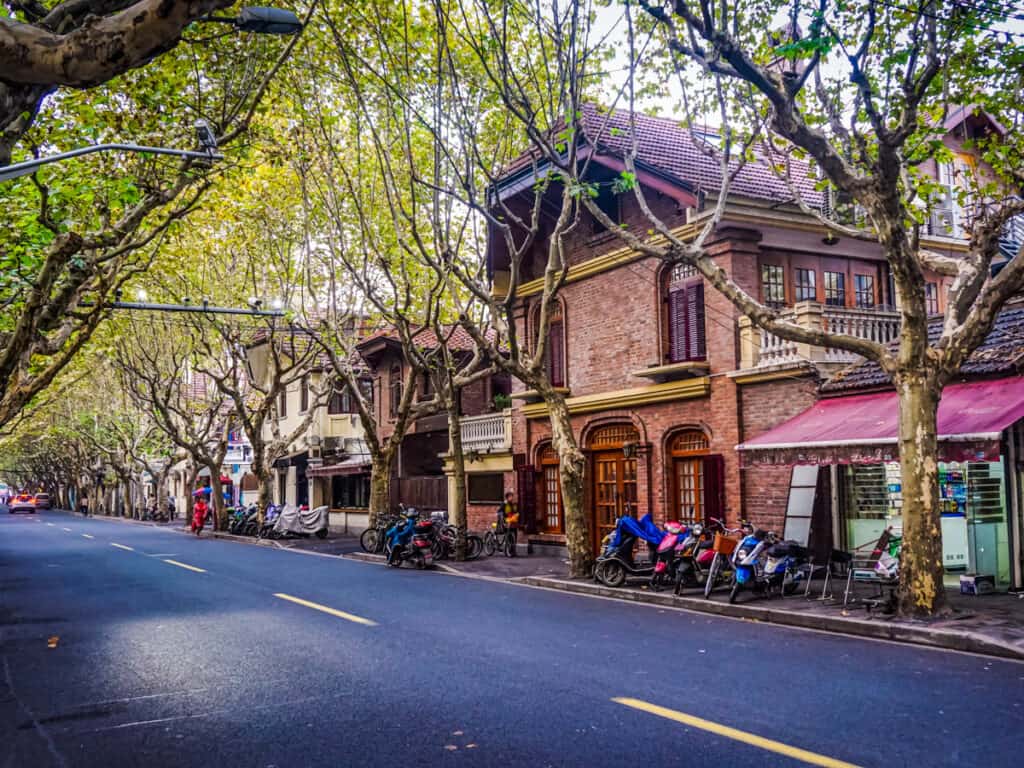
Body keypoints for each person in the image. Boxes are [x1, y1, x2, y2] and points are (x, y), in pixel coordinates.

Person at [501, 491, 519, 557]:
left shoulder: (513, 504)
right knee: (508, 538)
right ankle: (509, 550)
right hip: (506, 523)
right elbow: (500, 512)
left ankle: (513, 550)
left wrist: (516, 514)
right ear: (507, 497)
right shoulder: (504, 504)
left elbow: (516, 511)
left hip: (513, 523)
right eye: (510, 497)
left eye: (512, 497)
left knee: (514, 536)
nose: (512, 498)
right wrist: (503, 520)